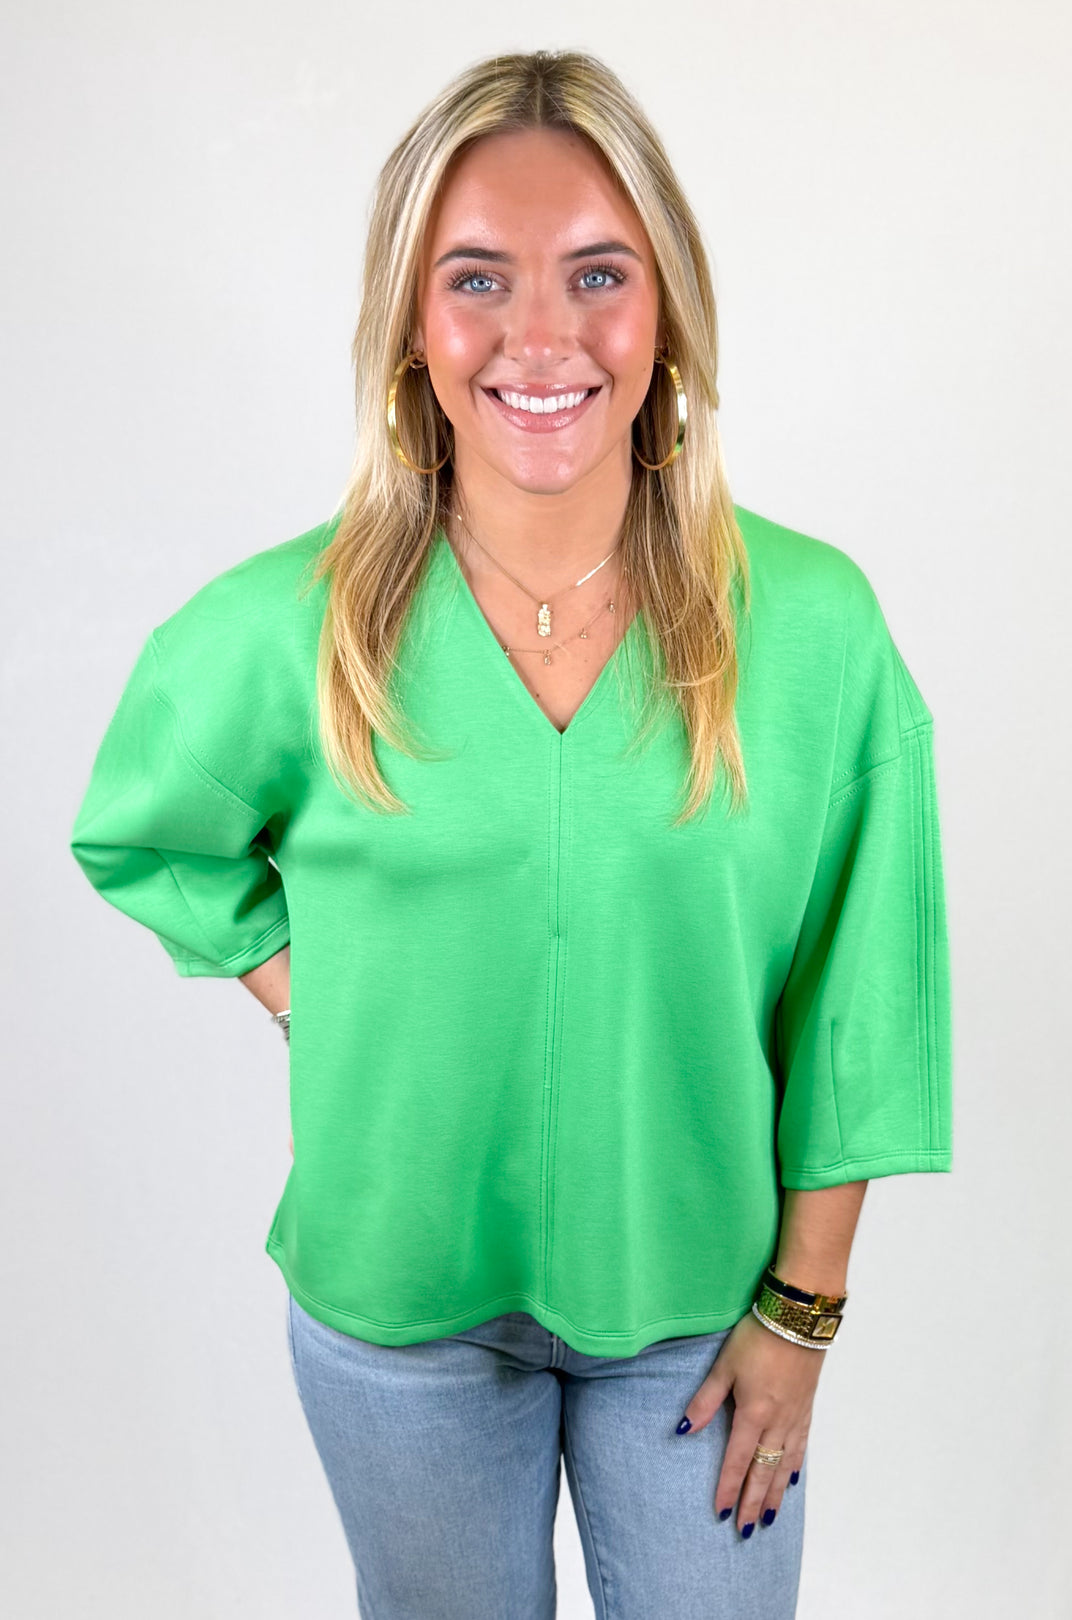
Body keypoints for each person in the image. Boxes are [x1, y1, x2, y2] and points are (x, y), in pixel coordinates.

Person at [68, 48, 953, 1620]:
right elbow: (142, 831)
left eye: (597, 274)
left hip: (700, 1312)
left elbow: (861, 999)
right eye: (477, 277)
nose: (540, 335)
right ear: (413, 326)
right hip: (397, 1309)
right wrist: (302, 980)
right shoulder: (296, 628)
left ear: (666, 303)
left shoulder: (812, 631)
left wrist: (804, 1312)